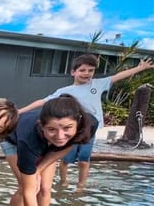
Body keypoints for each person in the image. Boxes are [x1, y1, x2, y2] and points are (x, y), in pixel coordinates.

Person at [18, 55, 154, 192]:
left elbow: (119, 76)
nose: (87, 73)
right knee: (65, 160)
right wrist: (20, 112)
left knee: (84, 160)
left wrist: (140, 68)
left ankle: (80, 186)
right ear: (73, 72)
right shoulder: (65, 91)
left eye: (91, 70)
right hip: (71, 131)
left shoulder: (97, 84)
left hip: (90, 130)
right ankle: (63, 182)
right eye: (82, 70)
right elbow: (42, 101)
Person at [2, 94, 97, 206]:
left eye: (67, 128)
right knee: (27, 187)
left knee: (45, 188)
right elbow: (29, 191)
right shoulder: (28, 140)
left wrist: (39, 169)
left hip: (48, 145)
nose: (60, 135)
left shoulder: (90, 123)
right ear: (42, 125)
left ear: (78, 122)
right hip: (13, 141)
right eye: (52, 129)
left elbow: (70, 143)